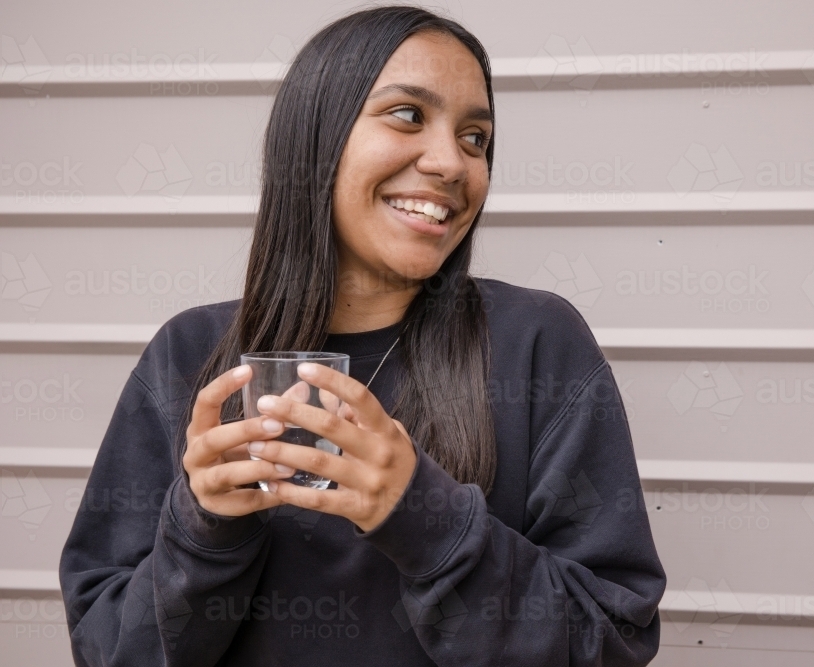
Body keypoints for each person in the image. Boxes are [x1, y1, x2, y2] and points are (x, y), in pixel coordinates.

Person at [59, 6, 666, 665]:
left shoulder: (538, 345)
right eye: (409, 115)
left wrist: (426, 520)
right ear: (315, 136)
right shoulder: (187, 356)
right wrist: (202, 532)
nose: (451, 163)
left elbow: (613, 639)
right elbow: (109, 651)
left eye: (475, 138)